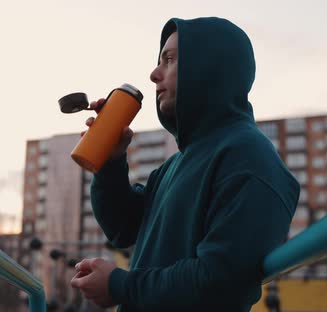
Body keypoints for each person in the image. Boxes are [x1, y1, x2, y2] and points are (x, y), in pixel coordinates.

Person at [70, 17, 300, 311]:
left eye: (169, 60)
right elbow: (123, 227)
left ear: (209, 67)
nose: (154, 74)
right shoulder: (176, 164)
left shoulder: (251, 158)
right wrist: (111, 162)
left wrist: (119, 285)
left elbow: (221, 281)